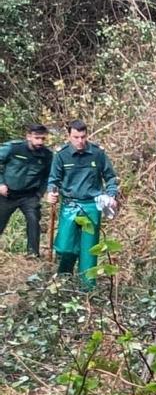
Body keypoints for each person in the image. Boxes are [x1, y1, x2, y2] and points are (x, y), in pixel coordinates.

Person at [46, 120, 119, 288]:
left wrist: (111, 194)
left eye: (83, 137)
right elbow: (54, 179)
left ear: (87, 135)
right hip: (70, 204)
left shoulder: (97, 153)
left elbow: (110, 177)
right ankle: (65, 276)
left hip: (92, 205)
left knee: (89, 248)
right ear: (69, 136)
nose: (80, 141)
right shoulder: (62, 155)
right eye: (76, 137)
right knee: (65, 246)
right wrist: (51, 192)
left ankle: (88, 287)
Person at [0, 123, 53, 257]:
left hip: (29, 195)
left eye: (43, 138)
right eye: (36, 138)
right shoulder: (13, 148)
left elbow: (48, 175)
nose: (40, 141)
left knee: (33, 220)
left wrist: (41, 192)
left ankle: (33, 253)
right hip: (8, 193)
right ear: (28, 136)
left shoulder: (46, 155)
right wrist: (0, 184)